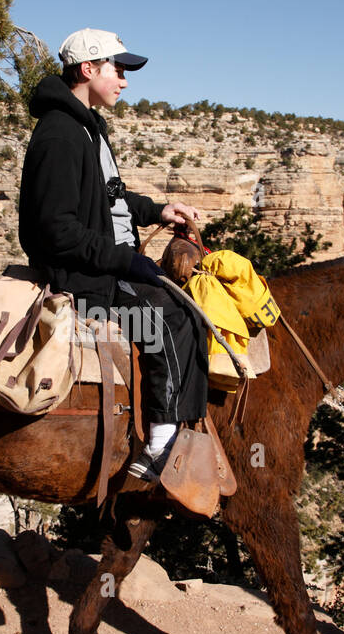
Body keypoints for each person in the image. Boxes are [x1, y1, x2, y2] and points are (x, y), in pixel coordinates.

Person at [19, 28, 208, 481]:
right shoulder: (61, 136)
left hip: (104, 262)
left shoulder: (87, 126)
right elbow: (56, 230)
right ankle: (161, 446)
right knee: (178, 320)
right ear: (88, 69)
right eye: (118, 70)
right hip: (83, 276)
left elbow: (112, 199)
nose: (124, 81)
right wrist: (128, 261)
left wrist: (159, 210)